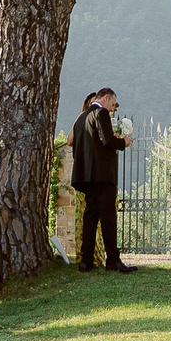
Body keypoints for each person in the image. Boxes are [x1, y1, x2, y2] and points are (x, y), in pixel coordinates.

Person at [68, 87, 135, 273]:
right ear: (106, 98)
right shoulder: (101, 113)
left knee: (90, 217)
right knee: (108, 217)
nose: (112, 109)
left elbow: (76, 147)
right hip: (104, 175)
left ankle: (85, 261)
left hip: (86, 176)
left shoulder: (81, 118)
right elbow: (107, 140)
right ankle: (113, 260)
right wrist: (124, 142)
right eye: (113, 104)